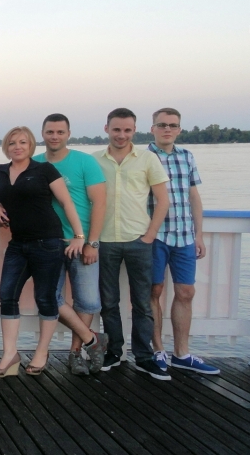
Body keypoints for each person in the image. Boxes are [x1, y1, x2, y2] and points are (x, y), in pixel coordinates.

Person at [0, 126, 85, 377]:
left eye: (23, 142)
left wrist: (79, 236)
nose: (17, 147)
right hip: (18, 244)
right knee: (7, 295)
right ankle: (10, 355)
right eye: (12, 143)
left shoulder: (44, 169)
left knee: (45, 298)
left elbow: (66, 202)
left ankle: (42, 352)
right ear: (6, 146)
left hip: (48, 243)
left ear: (31, 145)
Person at [93, 108, 171, 380]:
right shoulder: (94, 161)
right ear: (107, 129)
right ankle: (114, 352)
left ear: (134, 130)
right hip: (105, 240)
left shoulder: (148, 159)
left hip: (139, 240)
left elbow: (163, 200)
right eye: (116, 129)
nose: (122, 135)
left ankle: (144, 357)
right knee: (108, 302)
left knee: (142, 303)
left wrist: (150, 235)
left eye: (127, 130)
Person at [34, 114, 110, 375]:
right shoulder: (34, 163)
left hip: (81, 242)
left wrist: (92, 242)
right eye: (50, 132)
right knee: (49, 298)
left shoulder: (85, 162)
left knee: (87, 302)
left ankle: (76, 353)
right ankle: (92, 339)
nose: (54, 136)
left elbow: (100, 202)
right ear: (42, 134)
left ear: (68, 134)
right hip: (48, 243)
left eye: (60, 132)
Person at [147, 108, 219, 374]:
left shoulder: (187, 156)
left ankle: (182, 353)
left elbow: (193, 196)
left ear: (178, 129)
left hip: (184, 236)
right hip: (155, 236)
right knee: (153, 292)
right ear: (153, 128)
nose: (167, 129)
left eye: (172, 125)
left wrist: (199, 234)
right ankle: (158, 350)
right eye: (162, 125)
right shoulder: (143, 158)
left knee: (186, 292)